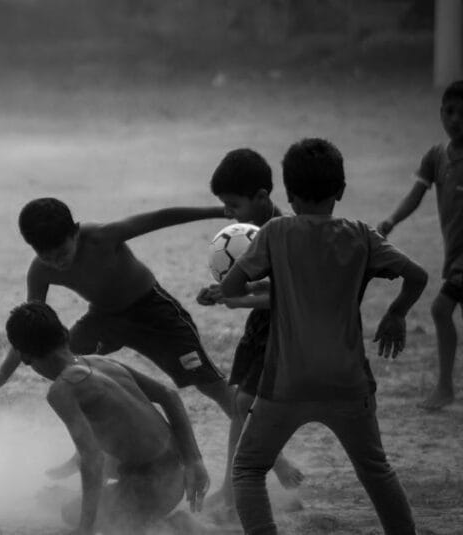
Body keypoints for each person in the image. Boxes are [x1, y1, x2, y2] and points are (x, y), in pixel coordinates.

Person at [223, 138, 426, 535]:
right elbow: (417, 275)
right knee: (376, 470)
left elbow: (231, 289)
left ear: (291, 196)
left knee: (248, 469)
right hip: (348, 383)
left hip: (286, 384)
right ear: (341, 191)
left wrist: (267, 291)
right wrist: (396, 313)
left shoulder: (276, 233)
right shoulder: (362, 236)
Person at [0, 197, 235, 420]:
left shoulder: (102, 237)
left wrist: (221, 211)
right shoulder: (40, 271)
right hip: (104, 319)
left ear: (75, 232)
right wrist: (3, 373)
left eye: (62, 253)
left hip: (154, 313)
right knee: (58, 363)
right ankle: (109, 440)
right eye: (47, 257)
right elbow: (30, 327)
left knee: (211, 386)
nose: (56, 262)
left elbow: (162, 217)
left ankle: (261, 455)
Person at [5, 301, 211, 534]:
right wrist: (194, 460)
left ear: (25, 357)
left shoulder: (63, 390)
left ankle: (174, 525)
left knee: (69, 512)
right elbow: (169, 396)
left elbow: (92, 459)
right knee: (65, 495)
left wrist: (86, 527)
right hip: (174, 468)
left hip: (156, 488)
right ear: (63, 334)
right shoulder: (100, 362)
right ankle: (115, 501)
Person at [195, 148, 303, 517]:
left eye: (232, 204)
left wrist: (236, 300)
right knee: (241, 403)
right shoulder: (246, 233)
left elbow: (286, 295)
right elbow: (259, 285)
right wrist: (224, 291)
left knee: (247, 406)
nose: (227, 214)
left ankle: (242, 490)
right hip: (260, 328)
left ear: (261, 196)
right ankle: (232, 488)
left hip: (284, 331)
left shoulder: (285, 232)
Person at [377, 80, 463, 411]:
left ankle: (444, 386)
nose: (455, 120)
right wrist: (391, 221)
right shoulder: (437, 156)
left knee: (441, 308)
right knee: (443, 311)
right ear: (440, 113)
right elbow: (416, 195)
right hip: (454, 254)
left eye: (462, 114)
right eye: (449, 112)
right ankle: (445, 387)